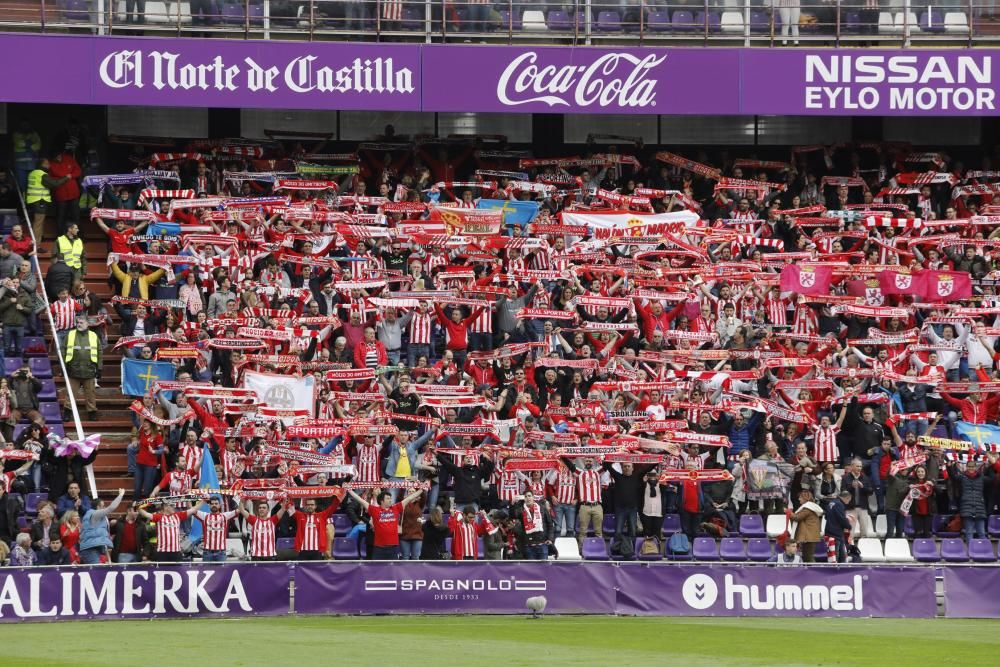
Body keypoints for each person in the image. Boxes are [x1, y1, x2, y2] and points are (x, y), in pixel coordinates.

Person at [346, 486, 424, 560]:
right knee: (377, 571)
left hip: (393, 548)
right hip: (379, 548)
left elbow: (409, 498)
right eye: (388, 498)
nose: (390, 500)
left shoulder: (396, 508)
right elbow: (360, 500)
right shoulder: (374, 510)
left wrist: (421, 490)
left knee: (393, 572)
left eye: (390, 498)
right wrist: (349, 490)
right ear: (381, 501)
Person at [286, 490, 346, 560]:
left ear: (315, 506)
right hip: (302, 550)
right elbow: (289, 507)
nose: (310, 506)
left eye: (312, 505)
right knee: (301, 570)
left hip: (317, 550)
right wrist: (286, 495)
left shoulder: (322, 515)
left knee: (317, 570)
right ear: (305, 506)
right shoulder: (300, 515)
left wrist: (339, 493)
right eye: (308, 505)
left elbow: (333, 506)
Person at [64, 314, 102, 421]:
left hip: (89, 369)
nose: (79, 324)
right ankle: (67, 412)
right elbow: (63, 350)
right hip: (73, 369)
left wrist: (99, 367)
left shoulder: (93, 335)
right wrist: (64, 365)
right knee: (70, 393)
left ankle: (92, 412)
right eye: (78, 322)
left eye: (81, 322)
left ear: (87, 324)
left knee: (90, 394)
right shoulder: (70, 334)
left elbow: (99, 351)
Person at [25, 158, 69, 245]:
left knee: (37, 223)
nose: (49, 165)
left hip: (33, 200)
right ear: (42, 165)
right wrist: (66, 178)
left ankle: (36, 243)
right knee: (38, 224)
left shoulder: (32, 173)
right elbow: (54, 184)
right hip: (40, 200)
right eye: (47, 164)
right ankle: (36, 246)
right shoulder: (42, 174)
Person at [194, 496, 238, 562]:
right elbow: (192, 510)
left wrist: (243, 499)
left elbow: (239, 510)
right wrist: (201, 501)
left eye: (216, 503)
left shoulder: (225, 516)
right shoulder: (204, 516)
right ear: (209, 505)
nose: (214, 505)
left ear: (220, 505)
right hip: (207, 552)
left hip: (221, 552)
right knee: (207, 572)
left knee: (222, 572)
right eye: (212, 504)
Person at [785, 488, 823, 563]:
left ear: (805, 498)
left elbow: (797, 517)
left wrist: (788, 512)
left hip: (809, 536)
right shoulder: (810, 507)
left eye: (800, 497)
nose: (799, 499)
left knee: (808, 557)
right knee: (807, 556)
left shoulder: (807, 508)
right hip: (810, 536)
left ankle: (813, 572)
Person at [513, 490, 552, 560]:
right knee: (532, 570)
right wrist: (514, 504)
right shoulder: (521, 510)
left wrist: (550, 538)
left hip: (542, 544)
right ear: (523, 499)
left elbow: (550, 524)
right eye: (525, 497)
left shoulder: (542, 508)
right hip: (529, 546)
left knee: (543, 569)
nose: (528, 498)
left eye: (529, 496)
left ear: (533, 497)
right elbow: (513, 515)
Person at [823, 490, 853, 563]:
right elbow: (841, 519)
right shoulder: (839, 504)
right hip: (836, 534)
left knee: (833, 556)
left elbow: (826, 516)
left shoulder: (832, 502)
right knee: (838, 557)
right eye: (849, 500)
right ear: (846, 498)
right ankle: (838, 573)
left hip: (829, 532)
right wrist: (849, 526)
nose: (848, 502)